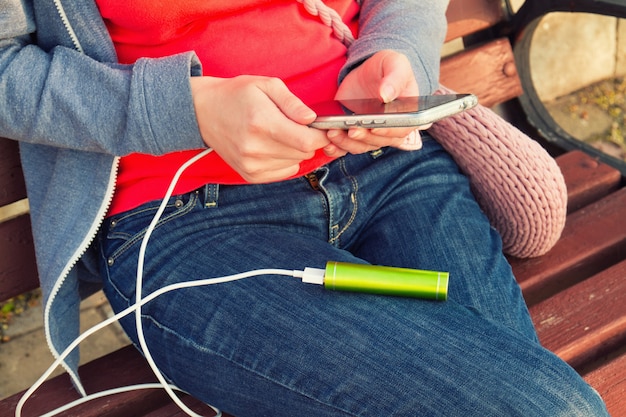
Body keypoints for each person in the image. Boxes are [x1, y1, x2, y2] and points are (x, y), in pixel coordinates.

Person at [0, 0, 609, 416]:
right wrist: (188, 107)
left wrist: (394, 51)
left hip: (395, 169)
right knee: (550, 405)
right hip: (183, 220)